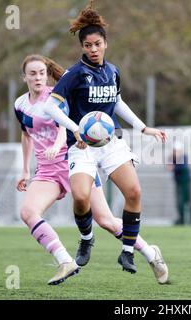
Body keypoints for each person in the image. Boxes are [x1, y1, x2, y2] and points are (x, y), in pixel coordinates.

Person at [15, 55, 168, 285]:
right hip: (48, 172)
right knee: (27, 212)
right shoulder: (20, 104)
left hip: (72, 162)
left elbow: (63, 124)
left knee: (106, 220)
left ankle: (150, 253)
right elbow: (26, 135)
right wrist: (26, 170)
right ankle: (65, 261)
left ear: (47, 75)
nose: (38, 77)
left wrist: (58, 145)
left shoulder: (56, 97)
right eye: (33, 73)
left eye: (42, 73)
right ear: (24, 76)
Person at [41, 4, 167, 274]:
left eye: (97, 44)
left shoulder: (113, 71)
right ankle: (86, 240)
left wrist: (144, 127)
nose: (93, 49)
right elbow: (50, 106)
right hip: (82, 146)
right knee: (81, 197)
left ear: (105, 44)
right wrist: (75, 128)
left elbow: (117, 102)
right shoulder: (75, 74)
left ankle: (127, 253)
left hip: (111, 144)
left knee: (134, 192)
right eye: (87, 45)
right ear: (83, 47)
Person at [167, 142, 191, 225]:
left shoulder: (183, 157)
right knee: (179, 202)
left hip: (186, 183)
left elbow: (182, 167)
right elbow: (168, 166)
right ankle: (181, 219)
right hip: (178, 182)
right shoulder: (173, 158)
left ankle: (189, 220)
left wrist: (174, 167)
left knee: (187, 201)